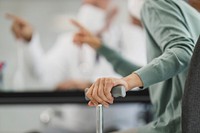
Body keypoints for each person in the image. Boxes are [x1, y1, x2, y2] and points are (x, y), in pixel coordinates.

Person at [7, 0, 147, 133]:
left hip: (117, 125)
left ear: (114, 10)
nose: (88, 8)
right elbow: (42, 73)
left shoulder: (132, 36)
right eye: (85, 3)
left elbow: (139, 76)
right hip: (72, 127)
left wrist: (89, 84)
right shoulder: (69, 41)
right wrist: (29, 41)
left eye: (95, 4)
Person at [72, 0, 200, 133]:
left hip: (176, 124)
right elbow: (155, 75)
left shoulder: (154, 3)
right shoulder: (189, 13)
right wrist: (101, 47)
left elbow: (183, 52)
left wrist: (126, 82)